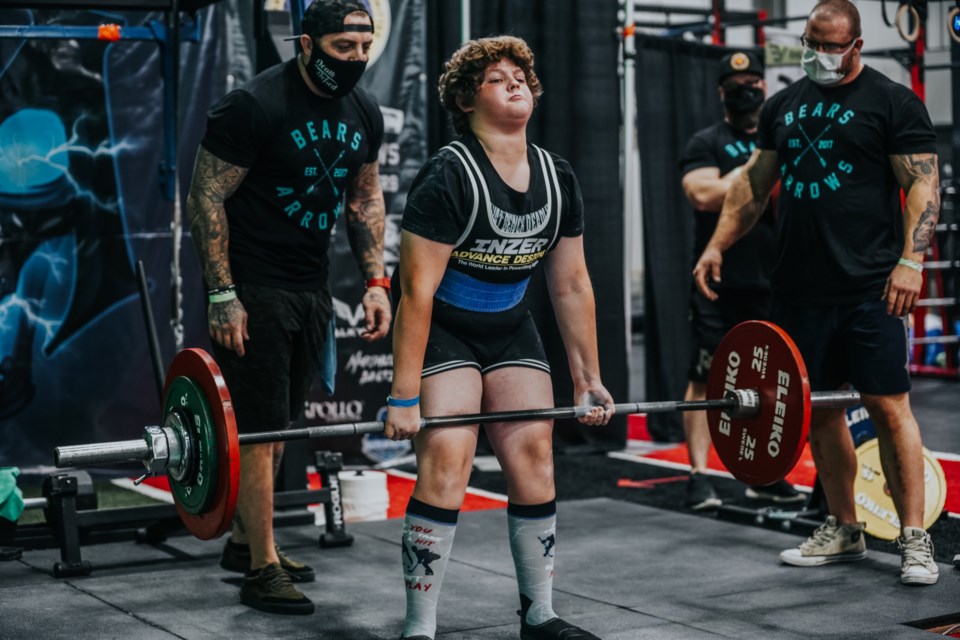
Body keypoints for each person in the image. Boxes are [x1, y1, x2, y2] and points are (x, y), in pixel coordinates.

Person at [694, 0, 940, 585]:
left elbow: (923, 186)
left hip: (871, 288)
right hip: (800, 289)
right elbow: (754, 187)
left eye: (830, 46)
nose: (819, 55)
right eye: (811, 42)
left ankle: (913, 538)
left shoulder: (892, 102)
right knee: (820, 411)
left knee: (888, 407)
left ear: (855, 46)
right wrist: (716, 246)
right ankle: (844, 528)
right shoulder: (783, 105)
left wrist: (912, 259)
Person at [383, 36, 614, 640]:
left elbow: (570, 285)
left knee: (536, 461)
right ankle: (419, 627)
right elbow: (416, 294)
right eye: (496, 79)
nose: (515, 84)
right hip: (445, 329)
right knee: (447, 464)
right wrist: (404, 396)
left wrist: (587, 378)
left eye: (521, 76)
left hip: (510, 325)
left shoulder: (557, 176)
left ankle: (540, 615)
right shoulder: (448, 174)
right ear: (465, 99)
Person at [185, 0, 391, 614]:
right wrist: (223, 293)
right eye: (341, 49)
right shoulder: (254, 104)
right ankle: (263, 569)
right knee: (259, 427)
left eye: (363, 49)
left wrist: (377, 282)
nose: (354, 61)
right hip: (253, 286)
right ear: (306, 44)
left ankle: (247, 543)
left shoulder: (363, 109)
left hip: (311, 286)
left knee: (282, 426)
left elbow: (364, 199)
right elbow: (206, 198)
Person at [679, 52, 804, 511]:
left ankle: (764, 475)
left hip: (773, 279)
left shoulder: (783, 139)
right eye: (737, 83)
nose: (746, 89)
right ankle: (698, 474)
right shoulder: (707, 141)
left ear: (764, 88)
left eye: (753, 81)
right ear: (721, 93)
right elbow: (702, 193)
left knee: (773, 379)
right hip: (718, 279)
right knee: (704, 373)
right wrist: (753, 172)